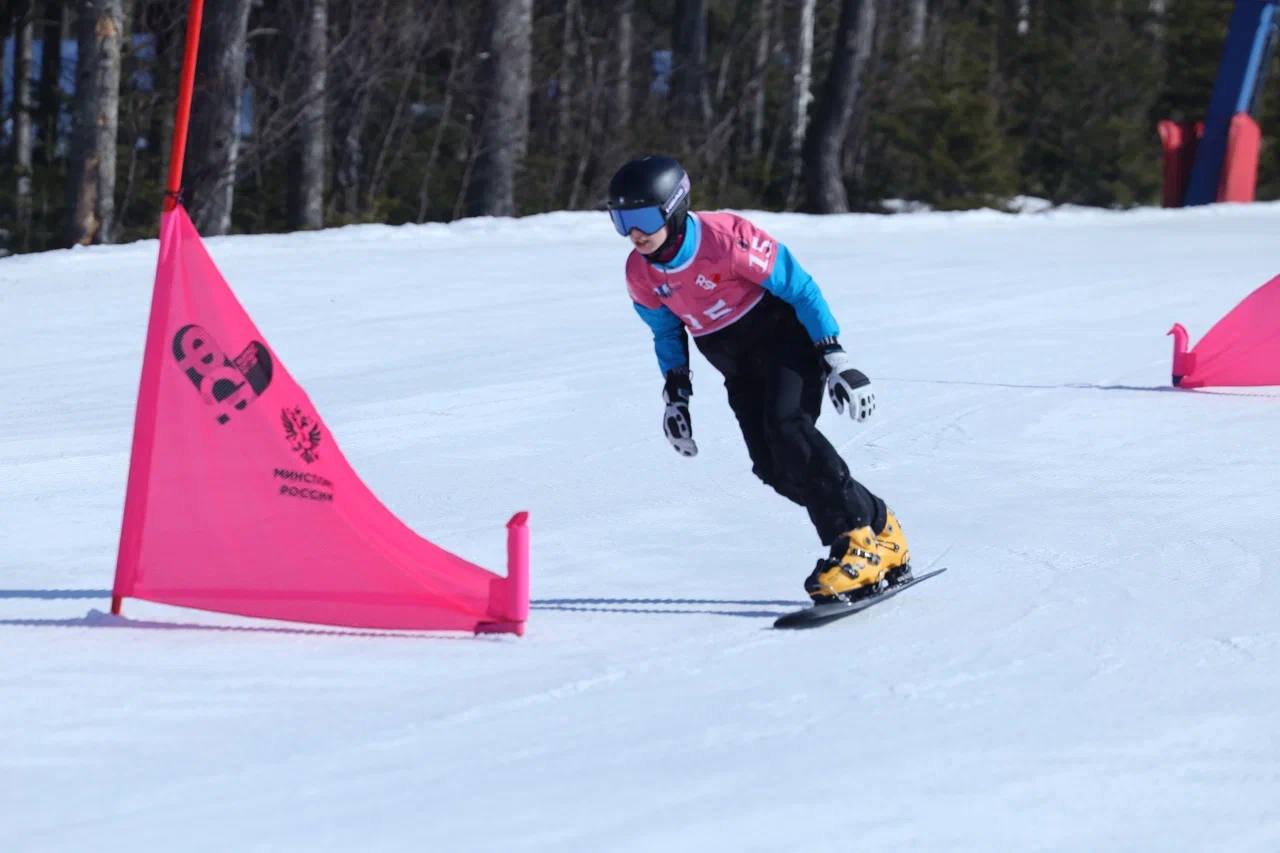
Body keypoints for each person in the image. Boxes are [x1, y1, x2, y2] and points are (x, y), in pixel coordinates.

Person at [606, 155, 911, 602]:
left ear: (672, 207)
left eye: (642, 217)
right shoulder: (641, 273)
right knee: (773, 467)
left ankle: (854, 543)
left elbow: (800, 287)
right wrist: (677, 397)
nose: (633, 232)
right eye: (621, 220)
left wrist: (835, 357)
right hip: (738, 369)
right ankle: (882, 528)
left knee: (789, 429)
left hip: (786, 346)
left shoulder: (726, 238)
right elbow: (667, 333)